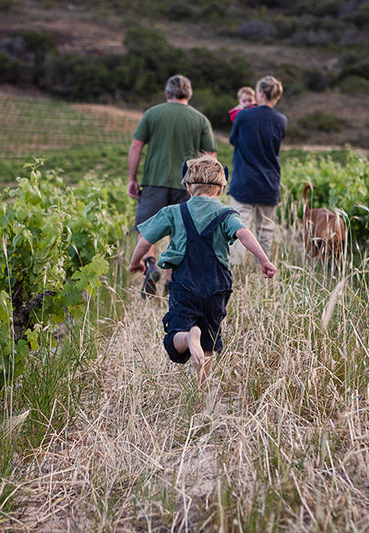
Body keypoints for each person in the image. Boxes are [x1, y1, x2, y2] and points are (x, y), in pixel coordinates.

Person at [128, 156, 277, 386]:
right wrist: (264, 260)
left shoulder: (174, 212)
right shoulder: (227, 214)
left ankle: (188, 337)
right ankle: (202, 387)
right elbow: (244, 234)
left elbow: (145, 241)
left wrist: (135, 262)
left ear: (187, 187)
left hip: (184, 283)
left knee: (174, 337)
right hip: (216, 284)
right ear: (220, 190)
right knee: (208, 339)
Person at [127, 74, 217, 297]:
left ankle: (150, 264)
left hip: (154, 182)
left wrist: (132, 178)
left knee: (147, 227)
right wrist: (209, 189)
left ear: (167, 93)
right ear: (189, 94)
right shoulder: (200, 120)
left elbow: (136, 147)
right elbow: (211, 156)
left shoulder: (153, 114)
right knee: (180, 232)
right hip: (187, 185)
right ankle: (170, 282)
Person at [228, 76, 287, 265]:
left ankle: (234, 275)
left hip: (244, 181)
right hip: (269, 183)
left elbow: (232, 140)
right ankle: (263, 274)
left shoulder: (243, 115)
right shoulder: (281, 120)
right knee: (265, 235)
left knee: (236, 230)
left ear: (260, 93)